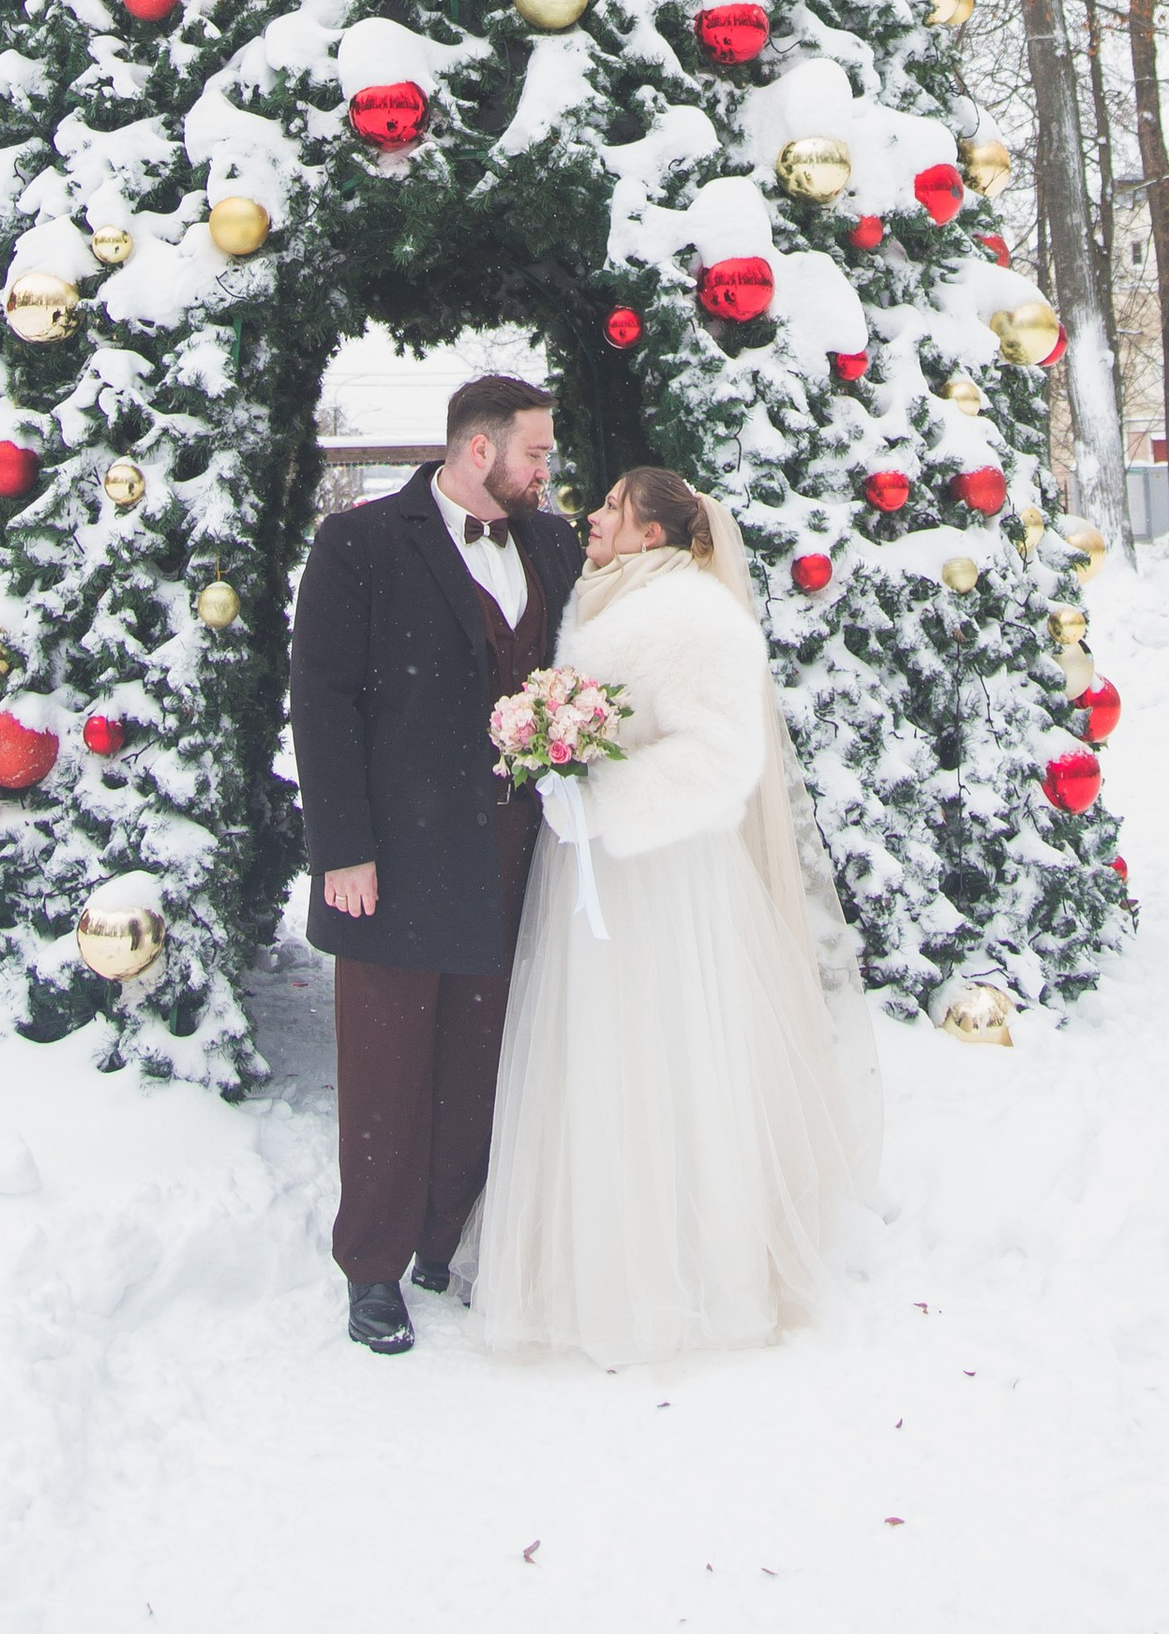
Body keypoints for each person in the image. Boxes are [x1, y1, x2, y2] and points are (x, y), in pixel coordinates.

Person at [462, 465, 883, 1368]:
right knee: (601, 1053)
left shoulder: (692, 616)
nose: (596, 517)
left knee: (674, 1052)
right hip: (596, 877)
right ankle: (597, 1259)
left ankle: (694, 1268)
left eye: (613, 507)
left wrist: (604, 797)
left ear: (653, 534)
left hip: (667, 873)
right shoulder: (600, 602)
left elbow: (722, 751)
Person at [288, 373, 583, 1355]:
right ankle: (370, 1268)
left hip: (514, 850)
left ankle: (442, 1238)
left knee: (481, 1055)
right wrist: (344, 851)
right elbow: (321, 703)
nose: (546, 470)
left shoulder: (552, 543)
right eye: (534, 453)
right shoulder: (360, 543)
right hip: (393, 858)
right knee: (386, 1066)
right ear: (476, 450)